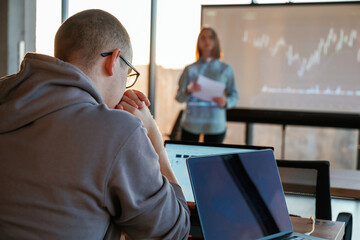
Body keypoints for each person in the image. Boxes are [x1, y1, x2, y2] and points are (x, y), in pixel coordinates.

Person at [0, 9, 190, 239]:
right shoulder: (118, 131)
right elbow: (174, 231)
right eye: (128, 74)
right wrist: (152, 136)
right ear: (113, 60)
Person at [176, 26, 238, 143]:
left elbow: (234, 95)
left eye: (210, 37)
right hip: (191, 124)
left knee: (212, 161)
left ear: (216, 42)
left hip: (215, 124)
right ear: (198, 42)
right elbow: (179, 97)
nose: (207, 41)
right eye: (203, 38)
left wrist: (226, 102)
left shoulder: (226, 69)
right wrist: (188, 91)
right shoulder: (189, 69)